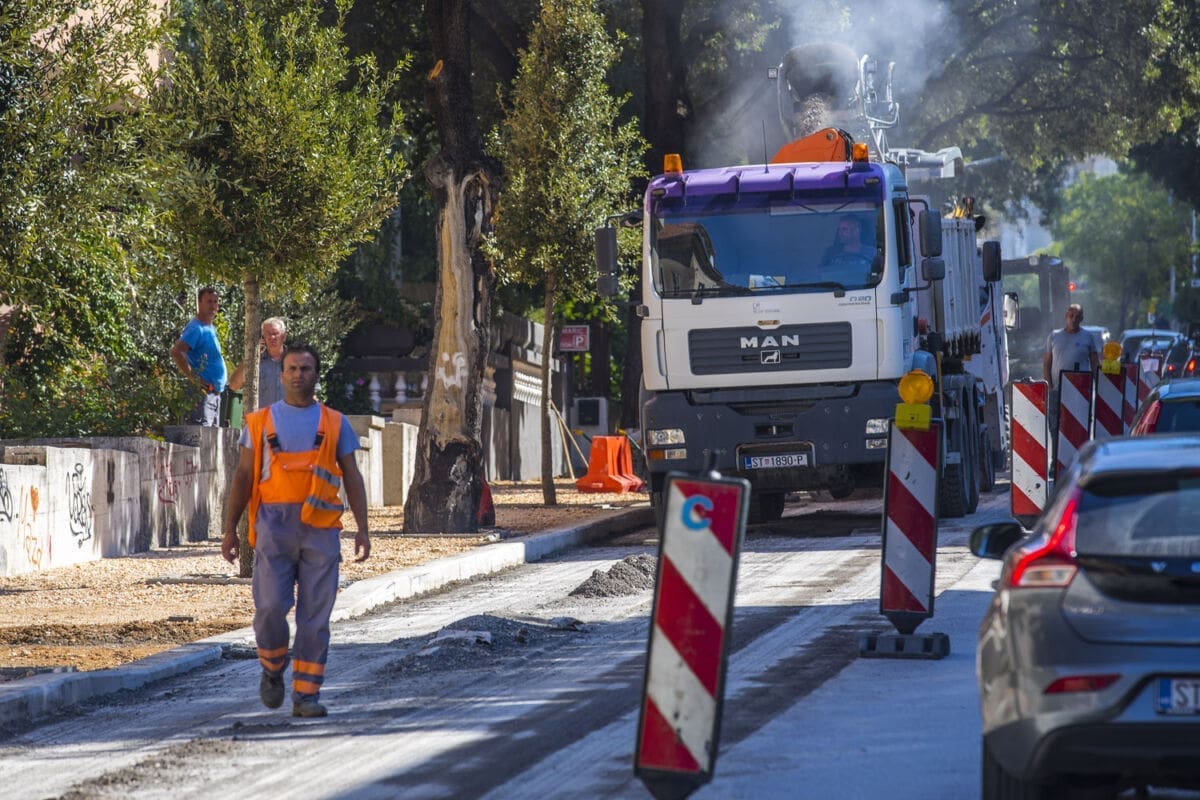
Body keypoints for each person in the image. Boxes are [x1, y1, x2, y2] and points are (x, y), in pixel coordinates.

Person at [221, 343, 370, 718]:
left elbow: (352, 477)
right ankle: (272, 668)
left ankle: (306, 696)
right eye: (292, 368)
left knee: (314, 619)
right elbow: (241, 477)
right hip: (273, 526)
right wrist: (229, 530)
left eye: (305, 369)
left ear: (316, 375)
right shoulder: (259, 422)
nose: (298, 375)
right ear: (281, 373)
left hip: (321, 530)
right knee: (270, 607)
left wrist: (363, 528)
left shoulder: (336, 423)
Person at [170, 287, 228, 426]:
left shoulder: (210, 327)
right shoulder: (196, 328)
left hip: (214, 394)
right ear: (199, 303)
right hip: (202, 396)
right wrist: (194, 378)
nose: (213, 305)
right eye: (208, 301)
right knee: (202, 440)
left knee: (212, 443)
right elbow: (176, 352)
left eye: (215, 302)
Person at [1043, 303, 1100, 437]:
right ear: (1066, 316)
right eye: (1071, 316)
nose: (1074, 319)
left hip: (1080, 391)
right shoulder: (1053, 336)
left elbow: (1095, 364)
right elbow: (1046, 364)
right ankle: (1056, 455)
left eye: (1077, 317)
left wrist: (1100, 387)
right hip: (1057, 390)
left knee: (1079, 426)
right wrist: (1050, 388)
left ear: (1082, 319)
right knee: (1055, 425)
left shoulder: (1088, 337)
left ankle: (1080, 455)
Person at [228, 317, 287, 410]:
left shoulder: (294, 362)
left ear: (284, 337)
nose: (272, 337)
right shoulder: (254, 361)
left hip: (289, 420)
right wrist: (251, 356)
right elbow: (233, 385)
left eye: (275, 333)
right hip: (262, 421)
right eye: (268, 334)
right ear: (263, 337)